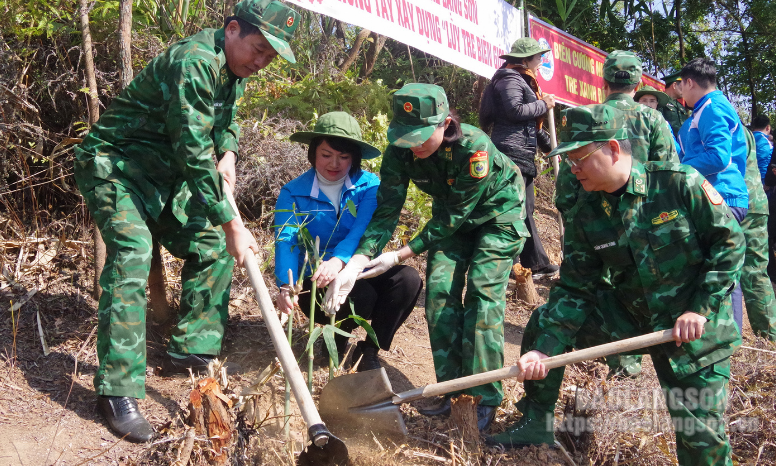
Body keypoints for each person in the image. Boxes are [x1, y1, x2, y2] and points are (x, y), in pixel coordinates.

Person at [73, 0, 299, 442]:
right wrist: (233, 222)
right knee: (133, 256)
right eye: (257, 50)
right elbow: (193, 150)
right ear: (232, 29)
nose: (260, 62)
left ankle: (191, 350)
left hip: (164, 179)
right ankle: (116, 391)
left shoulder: (232, 70)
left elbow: (222, 123)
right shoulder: (194, 62)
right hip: (116, 168)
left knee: (211, 243)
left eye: (269, 58)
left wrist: (229, 150)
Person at [487, 104, 743, 466]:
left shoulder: (678, 183)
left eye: (579, 158)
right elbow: (576, 287)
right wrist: (544, 351)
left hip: (693, 328)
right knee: (545, 323)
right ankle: (536, 422)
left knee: (700, 441)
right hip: (631, 314)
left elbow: (729, 244)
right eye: (569, 161)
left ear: (612, 148)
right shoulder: (587, 212)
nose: (572, 169)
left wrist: (699, 308)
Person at [325, 83, 528, 432]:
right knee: (438, 294)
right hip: (451, 222)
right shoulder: (400, 151)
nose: (414, 145)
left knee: (482, 295)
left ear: (446, 124)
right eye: (406, 136)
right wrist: (360, 258)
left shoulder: (473, 147)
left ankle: (485, 397)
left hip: (498, 217)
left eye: (421, 136)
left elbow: (454, 216)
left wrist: (400, 254)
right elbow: (386, 210)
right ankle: (452, 392)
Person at [554, 50, 679, 378]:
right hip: (641, 224)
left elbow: (569, 177)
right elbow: (667, 172)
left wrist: (573, 211)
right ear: (637, 82)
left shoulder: (588, 116)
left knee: (591, 291)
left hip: (591, 226)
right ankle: (627, 368)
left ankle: (607, 360)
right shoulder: (652, 119)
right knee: (630, 293)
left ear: (604, 81)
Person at [273, 112, 422, 371]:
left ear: (354, 157)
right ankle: (335, 343)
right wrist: (286, 285)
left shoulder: (369, 186)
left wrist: (339, 261)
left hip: (356, 265)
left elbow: (361, 230)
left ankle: (370, 350)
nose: (335, 164)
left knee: (408, 280)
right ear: (313, 154)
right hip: (316, 279)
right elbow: (286, 239)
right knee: (361, 296)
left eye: (344, 157)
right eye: (326, 154)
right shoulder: (293, 192)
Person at [677, 57, 748, 332]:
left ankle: (726, 333)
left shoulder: (711, 108)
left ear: (690, 82)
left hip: (721, 198)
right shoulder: (706, 109)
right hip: (720, 196)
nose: (680, 91)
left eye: (681, 85)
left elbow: (718, 157)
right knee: (724, 264)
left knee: (719, 265)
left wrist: (677, 169)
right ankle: (730, 332)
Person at [479, 37, 559, 279]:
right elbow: (516, 112)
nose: (541, 61)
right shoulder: (509, 79)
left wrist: (552, 149)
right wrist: (543, 105)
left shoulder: (522, 81)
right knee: (516, 208)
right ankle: (521, 264)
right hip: (510, 153)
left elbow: (529, 126)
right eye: (538, 57)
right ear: (525, 59)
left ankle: (532, 263)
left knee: (525, 209)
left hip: (521, 153)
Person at [739, 127, 776, 340]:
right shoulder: (743, 129)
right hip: (755, 201)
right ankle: (770, 335)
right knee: (756, 271)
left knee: (741, 272)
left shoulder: (713, 121)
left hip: (738, 203)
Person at [659, 70, 690, 137]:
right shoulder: (660, 103)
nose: (684, 89)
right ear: (674, 85)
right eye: (682, 86)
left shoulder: (681, 106)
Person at [752, 115, 773, 183]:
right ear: (768, 127)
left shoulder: (747, 137)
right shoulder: (764, 141)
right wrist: (763, 181)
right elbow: (763, 161)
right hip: (759, 180)